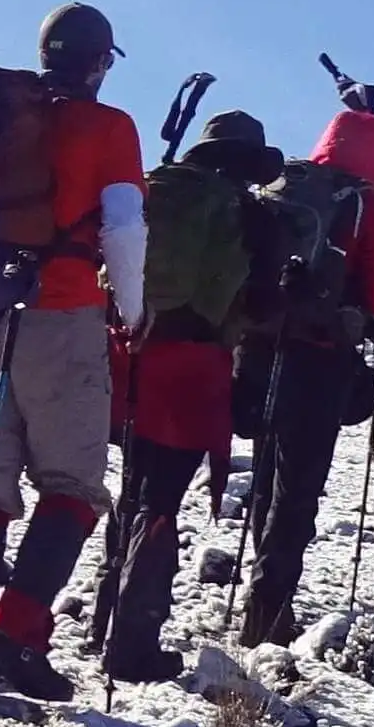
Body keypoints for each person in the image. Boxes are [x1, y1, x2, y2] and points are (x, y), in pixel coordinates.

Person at [0, 3, 144, 702]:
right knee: (73, 482)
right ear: (98, 62)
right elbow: (122, 228)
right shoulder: (110, 127)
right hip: (62, 312)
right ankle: (12, 630)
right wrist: (133, 309)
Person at [96, 105, 277, 682]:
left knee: (131, 491)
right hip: (192, 369)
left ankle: (104, 620)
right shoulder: (244, 214)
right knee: (161, 503)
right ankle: (132, 644)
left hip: (130, 355)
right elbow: (258, 303)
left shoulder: (160, 184)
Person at [236, 80, 374, 641]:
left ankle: (260, 604)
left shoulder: (287, 183)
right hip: (320, 355)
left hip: (259, 343)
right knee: (298, 487)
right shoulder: (368, 204)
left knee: (265, 476)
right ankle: (269, 610)